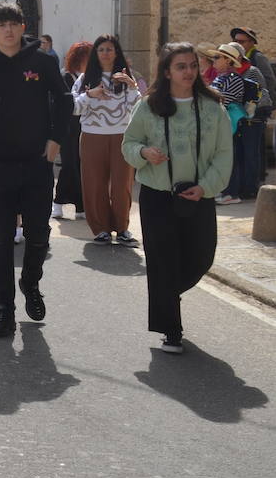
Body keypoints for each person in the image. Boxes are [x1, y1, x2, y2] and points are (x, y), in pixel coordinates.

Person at [0, 2, 69, 340]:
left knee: (39, 235)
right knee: (1, 240)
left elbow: (64, 100)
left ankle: (30, 282)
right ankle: (4, 309)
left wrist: (56, 139)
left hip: (37, 162)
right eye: (0, 24)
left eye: (14, 23)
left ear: (23, 27)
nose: (8, 30)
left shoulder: (42, 61)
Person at [122, 43, 232, 353]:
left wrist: (206, 186)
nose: (188, 72)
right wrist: (144, 152)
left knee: (201, 257)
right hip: (157, 198)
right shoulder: (147, 106)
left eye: (193, 66)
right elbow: (128, 145)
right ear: (167, 71)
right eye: (181, 66)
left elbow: (224, 155)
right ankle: (170, 327)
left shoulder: (213, 108)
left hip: (198, 196)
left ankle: (167, 293)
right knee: (163, 262)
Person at [73, 34, 144, 245]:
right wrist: (90, 95)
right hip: (92, 137)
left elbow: (138, 108)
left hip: (122, 137)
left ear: (116, 53)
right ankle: (100, 229)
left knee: (123, 184)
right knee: (95, 184)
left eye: (109, 49)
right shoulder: (84, 79)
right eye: (101, 49)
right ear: (96, 53)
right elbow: (73, 108)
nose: (105, 53)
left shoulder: (126, 78)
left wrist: (132, 87)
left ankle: (122, 228)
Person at [211, 42, 266, 204]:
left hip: (229, 125)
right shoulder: (221, 78)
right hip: (220, 124)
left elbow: (222, 101)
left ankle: (231, 193)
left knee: (232, 158)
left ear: (228, 61)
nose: (213, 60)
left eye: (217, 57)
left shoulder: (234, 79)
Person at [52, 42, 92, 220]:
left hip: (84, 127)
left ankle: (80, 206)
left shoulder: (89, 78)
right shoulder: (65, 76)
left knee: (80, 165)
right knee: (69, 165)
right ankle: (58, 202)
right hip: (67, 127)